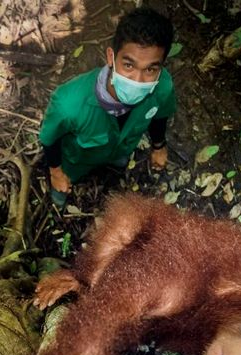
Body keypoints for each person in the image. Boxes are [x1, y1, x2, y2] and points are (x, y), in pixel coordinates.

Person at [39, 7, 176, 208]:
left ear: (161, 67)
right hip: (77, 162)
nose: (137, 81)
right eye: (128, 65)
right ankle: (60, 189)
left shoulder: (162, 87)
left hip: (122, 149)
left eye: (150, 69)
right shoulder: (68, 104)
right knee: (64, 185)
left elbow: (159, 117)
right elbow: (49, 138)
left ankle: (115, 161)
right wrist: (56, 172)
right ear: (111, 57)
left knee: (119, 161)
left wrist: (158, 146)